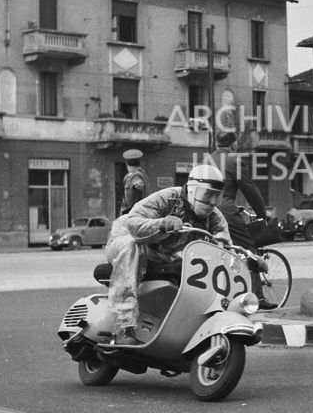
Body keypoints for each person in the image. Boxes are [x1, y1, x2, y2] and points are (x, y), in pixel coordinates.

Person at [104, 161, 231, 344]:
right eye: (208, 194)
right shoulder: (167, 198)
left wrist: (248, 259)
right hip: (127, 239)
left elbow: (224, 243)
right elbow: (133, 222)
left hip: (164, 252)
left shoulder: (215, 216)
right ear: (193, 189)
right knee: (132, 247)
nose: (212, 201)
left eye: (216, 196)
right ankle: (125, 325)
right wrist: (162, 223)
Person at [215, 130, 278, 309]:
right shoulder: (234, 161)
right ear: (233, 144)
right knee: (248, 250)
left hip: (205, 212)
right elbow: (249, 189)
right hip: (225, 213)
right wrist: (261, 213)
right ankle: (257, 298)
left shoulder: (206, 160)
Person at [119, 148, 150, 215]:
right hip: (140, 212)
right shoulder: (142, 174)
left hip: (134, 213)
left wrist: (132, 211)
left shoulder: (134, 175)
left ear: (127, 164)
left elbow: (139, 185)